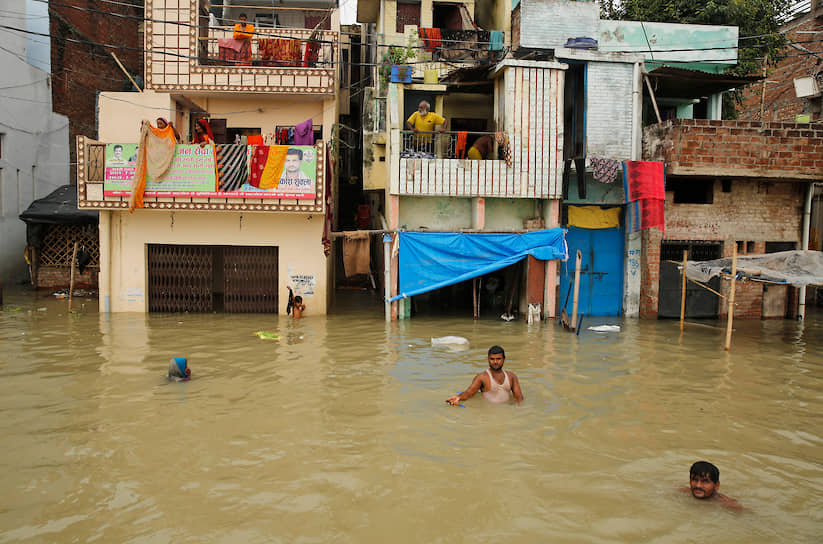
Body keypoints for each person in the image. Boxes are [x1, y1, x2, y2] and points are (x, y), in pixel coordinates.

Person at [446, 345, 523, 406]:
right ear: (488, 359)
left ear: (504, 359)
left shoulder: (511, 376)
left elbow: (519, 398)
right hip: (489, 413)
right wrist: (458, 397)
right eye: (492, 359)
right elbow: (469, 393)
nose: (495, 362)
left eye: (498, 359)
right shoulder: (482, 377)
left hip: (506, 412)